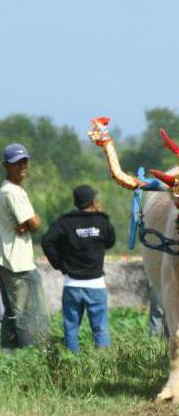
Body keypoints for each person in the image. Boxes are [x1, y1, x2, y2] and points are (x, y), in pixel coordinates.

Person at [41, 185, 115, 352]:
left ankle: (71, 361)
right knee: (100, 327)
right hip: (96, 285)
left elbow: (47, 241)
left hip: (72, 285)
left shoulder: (65, 222)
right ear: (92, 201)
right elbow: (110, 242)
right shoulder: (102, 221)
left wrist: (59, 264)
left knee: (71, 327)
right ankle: (103, 363)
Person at [0, 143, 50, 350]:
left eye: (24, 161)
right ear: (6, 166)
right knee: (25, 315)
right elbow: (35, 223)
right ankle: (29, 355)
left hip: (9, 261)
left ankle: (8, 356)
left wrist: (27, 223)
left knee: (13, 314)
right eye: (16, 163)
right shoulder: (12, 192)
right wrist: (31, 221)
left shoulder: (7, 190)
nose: (22, 166)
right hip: (17, 264)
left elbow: (28, 223)